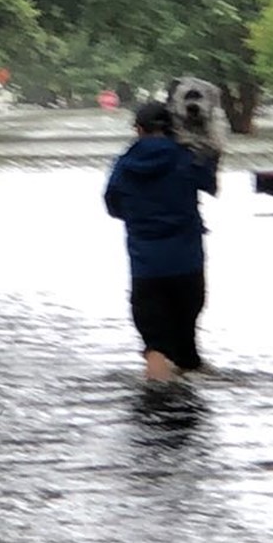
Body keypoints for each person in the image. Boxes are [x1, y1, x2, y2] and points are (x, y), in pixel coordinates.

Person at [104, 100, 219, 382]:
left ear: (138, 129)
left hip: (146, 268)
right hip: (188, 264)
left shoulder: (124, 164)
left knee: (155, 348)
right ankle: (190, 416)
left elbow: (112, 205)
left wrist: (140, 217)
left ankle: (155, 405)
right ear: (171, 128)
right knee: (188, 351)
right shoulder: (186, 158)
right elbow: (211, 184)